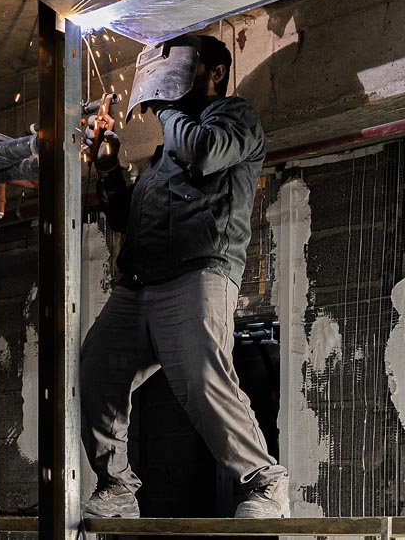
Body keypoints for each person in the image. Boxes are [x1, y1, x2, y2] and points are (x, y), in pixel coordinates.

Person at [80, 34, 289, 519]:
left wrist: (166, 105)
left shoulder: (235, 118)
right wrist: (109, 169)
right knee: (97, 369)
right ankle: (116, 487)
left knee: (201, 379)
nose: (164, 84)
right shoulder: (162, 156)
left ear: (215, 72)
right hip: (138, 285)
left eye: (182, 68)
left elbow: (206, 152)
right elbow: (126, 219)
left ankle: (265, 483)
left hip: (197, 275)